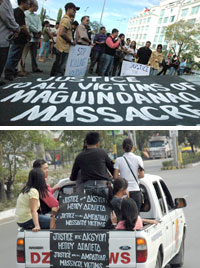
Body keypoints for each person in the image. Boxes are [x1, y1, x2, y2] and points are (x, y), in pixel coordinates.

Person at [70, 132, 114, 198]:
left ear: (86, 142)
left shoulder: (80, 156)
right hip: (102, 186)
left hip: (88, 187)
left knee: (91, 207)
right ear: (97, 143)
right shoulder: (102, 152)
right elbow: (112, 170)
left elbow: (73, 177)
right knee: (105, 207)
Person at [113, 138, 144, 212]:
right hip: (136, 191)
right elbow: (142, 175)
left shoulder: (118, 160)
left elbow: (115, 177)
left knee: (125, 215)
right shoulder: (138, 159)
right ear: (133, 148)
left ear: (123, 148)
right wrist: (136, 177)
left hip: (124, 192)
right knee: (136, 216)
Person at [4, 0, 31, 81]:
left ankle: (12, 71)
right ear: (22, 3)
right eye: (28, 4)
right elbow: (22, 26)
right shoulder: (18, 12)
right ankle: (9, 73)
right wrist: (29, 34)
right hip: (18, 38)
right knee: (14, 55)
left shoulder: (18, 12)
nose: (29, 5)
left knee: (16, 56)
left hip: (20, 38)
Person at [50, 2, 79, 76]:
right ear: (68, 9)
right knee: (60, 67)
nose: (75, 12)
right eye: (73, 10)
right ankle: (56, 82)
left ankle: (52, 79)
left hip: (62, 47)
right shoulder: (66, 20)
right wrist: (71, 41)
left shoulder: (67, 20)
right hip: (63, 48)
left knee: (57, 65)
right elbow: (62, 33)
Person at [18, 0, 42, 74]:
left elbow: (40, 25)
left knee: (34, 54)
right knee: (23, 54)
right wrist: (36, 31)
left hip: (36, 38)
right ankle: (21, 69)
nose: (37, 8)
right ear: (32, 6)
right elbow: (28, 25)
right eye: (36, 6)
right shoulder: (25, 14)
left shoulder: (37, 16)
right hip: (29, 36)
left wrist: (39, 31)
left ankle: (35, 68)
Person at [0, 0, 19, 86]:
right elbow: (8, 18)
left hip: (4, 38)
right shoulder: (4, 2)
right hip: (2, 38)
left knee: (3, 60)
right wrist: (16, 28)